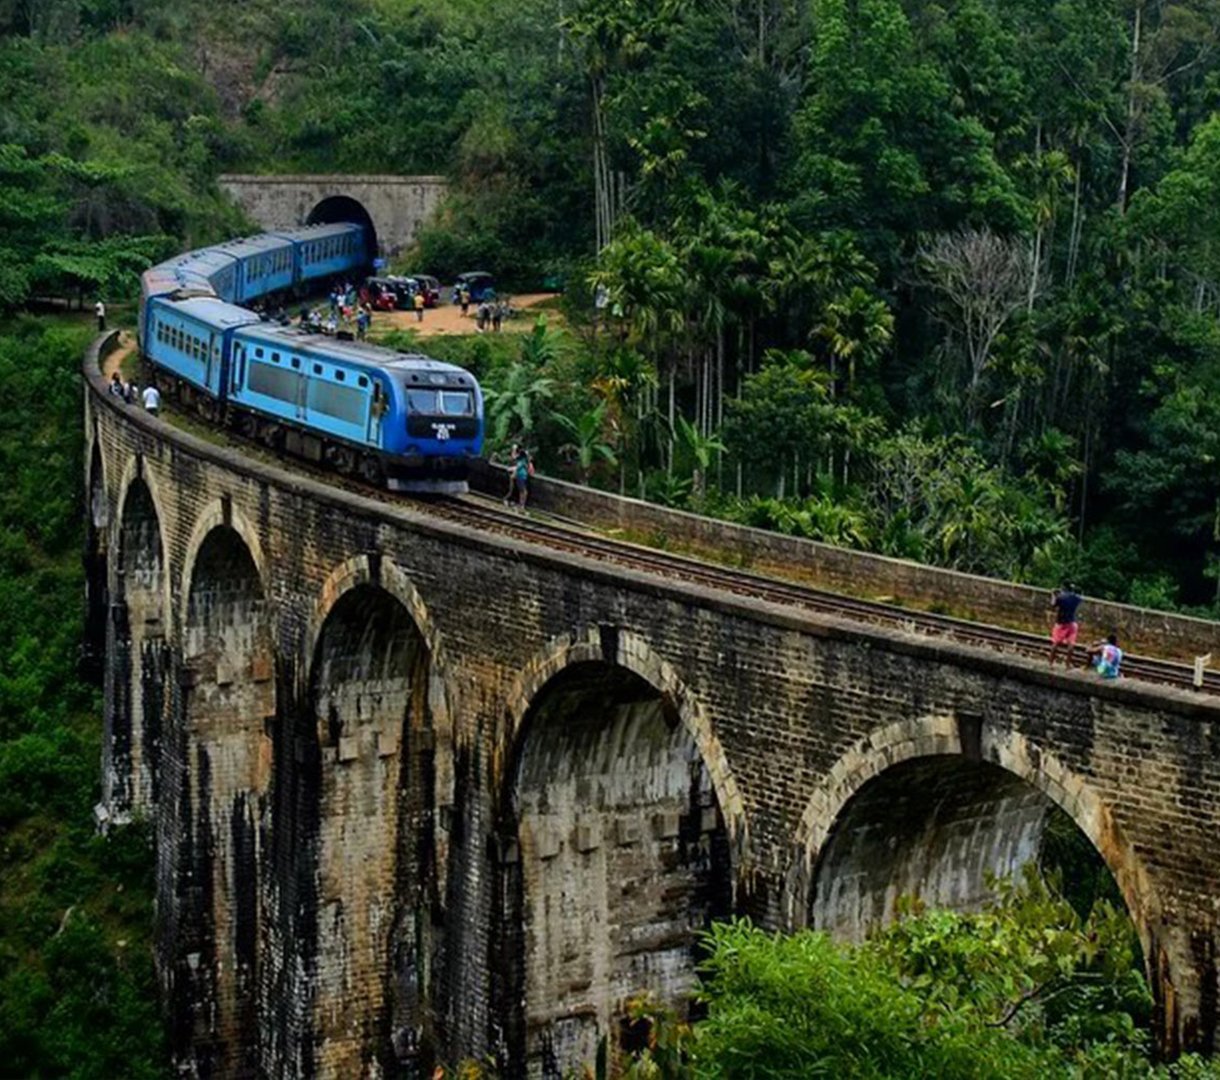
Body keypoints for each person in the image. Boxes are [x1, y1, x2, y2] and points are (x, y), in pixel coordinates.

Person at [1048, 582, 1083, 667]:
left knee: (1055, 643)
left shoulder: (1061, 598)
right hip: (1072, 623)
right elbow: (1080, 597)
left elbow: (1053, 605)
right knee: (1071, 644)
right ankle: (1067, 664)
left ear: (1064, 588)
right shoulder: (1076, 598)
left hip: (1061, 623)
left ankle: (1051, 663)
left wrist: (1053, 594)